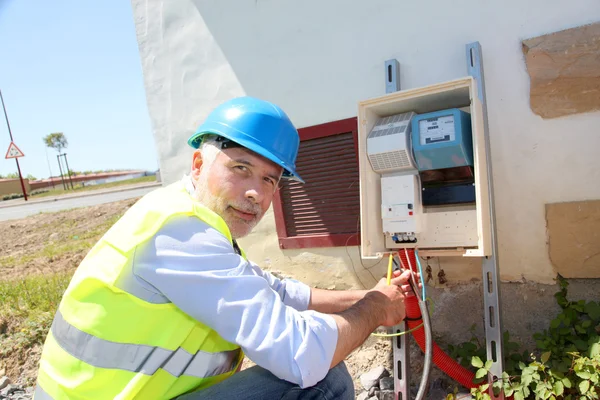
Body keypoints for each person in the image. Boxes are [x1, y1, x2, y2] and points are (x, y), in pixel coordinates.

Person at [34, 97, 414, 400]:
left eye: (269, 180)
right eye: (240, 169)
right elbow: (303, 355)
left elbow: (275, 291)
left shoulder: (187, 216)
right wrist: (375, 309)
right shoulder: (180, 233)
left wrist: (364, 294)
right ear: (199, 163)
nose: (256, 193)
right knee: (321, 380)